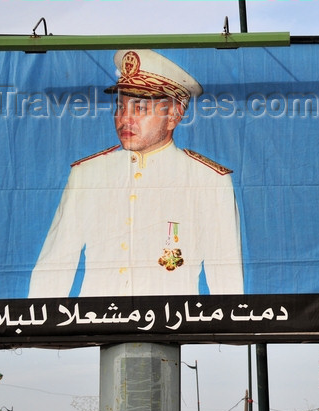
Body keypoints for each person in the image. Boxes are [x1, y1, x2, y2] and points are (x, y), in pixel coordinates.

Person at [28, 49, 243, 298]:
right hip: (99, 326)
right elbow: (54, 266)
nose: (124, 119)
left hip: (170, 326)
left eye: (139, 108)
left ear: (173, 115)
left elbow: (227, 279)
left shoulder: (208, 181)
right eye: (120, 107)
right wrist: (41, 336)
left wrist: (230, 336)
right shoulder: (88, 175)